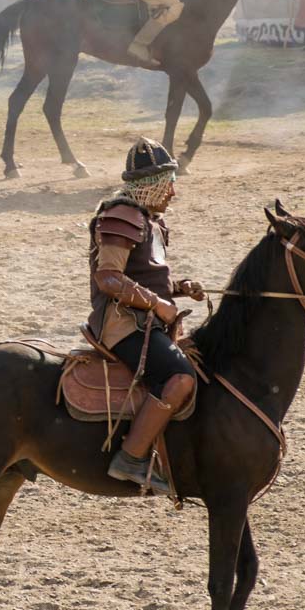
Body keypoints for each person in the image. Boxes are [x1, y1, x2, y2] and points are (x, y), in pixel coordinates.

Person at [88, 139, 204, 496]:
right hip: (122, 325)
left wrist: (180, 287)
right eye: (167, 184)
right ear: (149, 185)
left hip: (148, 321)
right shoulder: (121, 216)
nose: (173, 192)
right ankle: (132, 457)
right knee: (181, 377)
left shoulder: (150, 221)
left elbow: (144, 274)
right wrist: (158, 303)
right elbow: (108, 278)